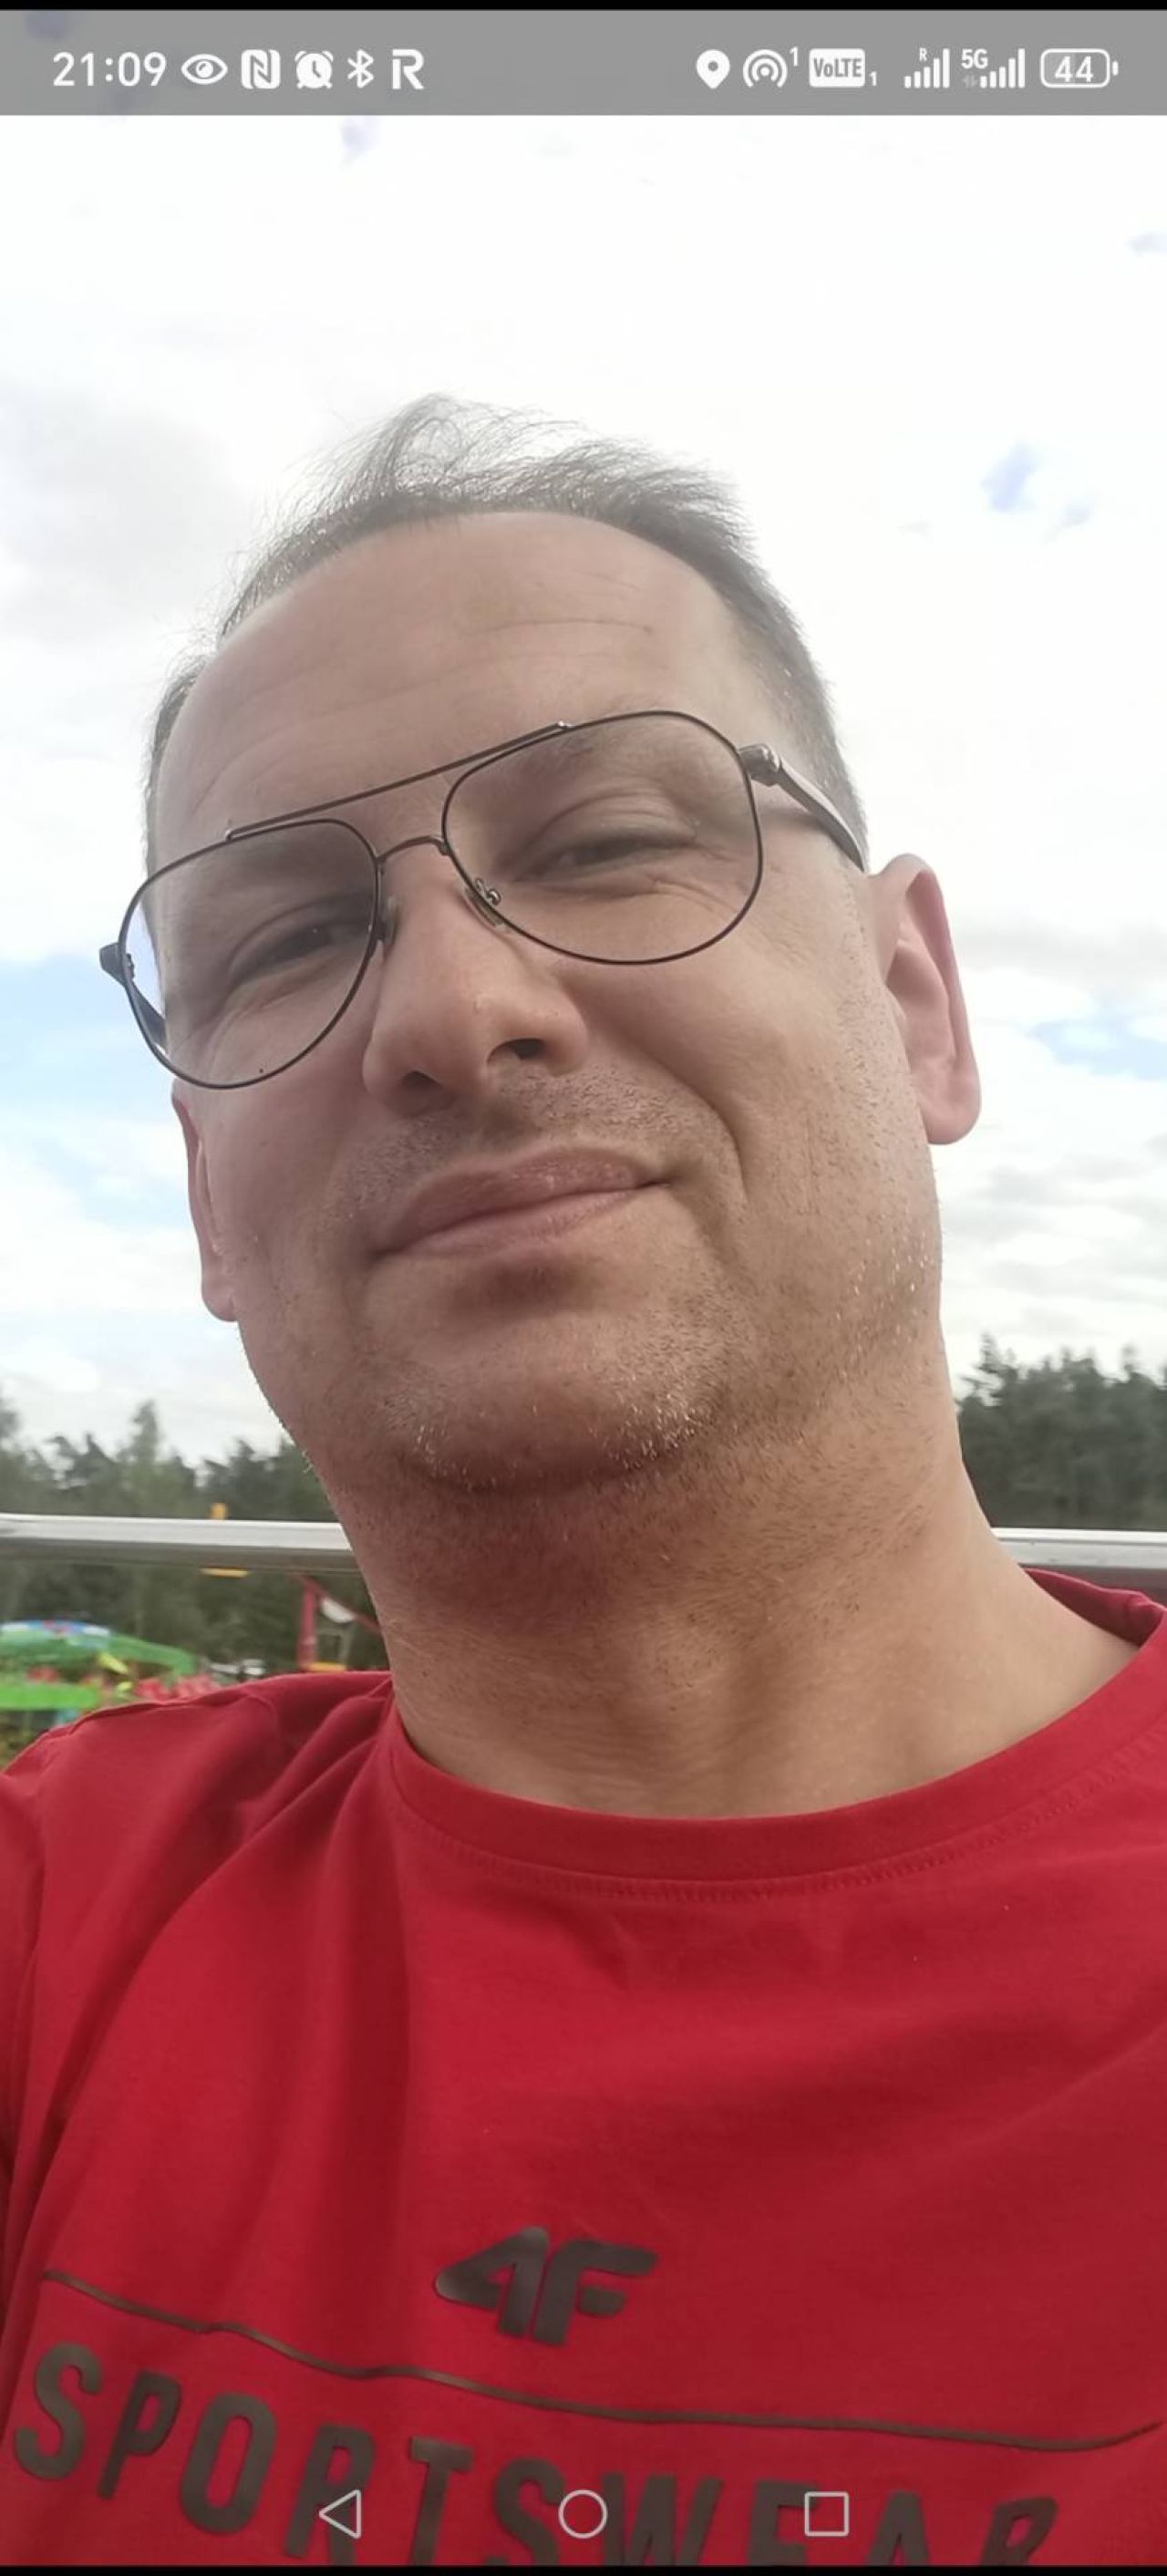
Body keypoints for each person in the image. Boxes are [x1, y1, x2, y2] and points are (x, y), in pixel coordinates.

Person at [0, 394, 1162, 2567]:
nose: (451, 1011)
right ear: (208, 1200)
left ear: (915, 999)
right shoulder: (64, 1919)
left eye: (611, 842)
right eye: (282, 942)